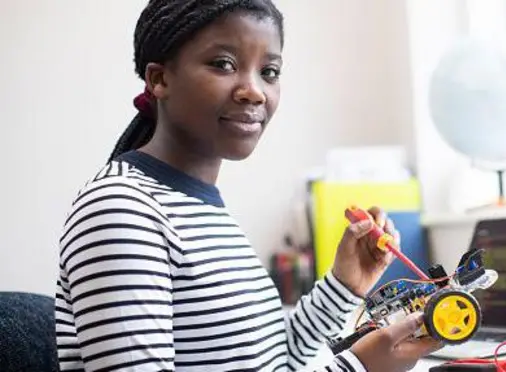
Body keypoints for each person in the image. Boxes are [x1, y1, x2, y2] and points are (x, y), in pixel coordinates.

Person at [54, 1, 441, 371]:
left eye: (269, 72)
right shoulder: (122, 209)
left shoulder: (198, 208)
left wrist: (344, 286)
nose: (254, 90)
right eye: (223, 64)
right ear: (160, 79)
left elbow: (271, 361)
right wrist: (357, 366)